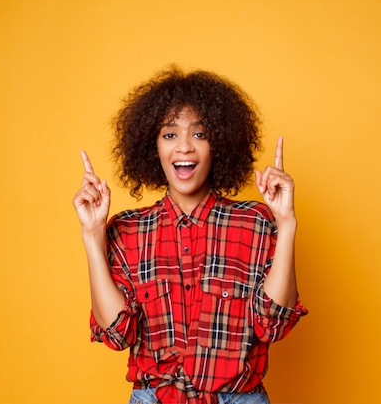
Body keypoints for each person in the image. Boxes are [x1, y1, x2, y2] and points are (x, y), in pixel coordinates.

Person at [73, 66, 307, 404]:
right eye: (170, 135)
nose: (184, 147)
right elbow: (115, 334)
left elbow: (274, 326)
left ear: (219, 144)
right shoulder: (127, 231)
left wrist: (286, 223)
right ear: (152, 147)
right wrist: (93, 235)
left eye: (199, 134)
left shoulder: (255, 223)